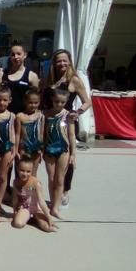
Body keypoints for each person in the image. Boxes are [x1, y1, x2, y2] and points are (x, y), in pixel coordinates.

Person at [43, 49, 90, 207]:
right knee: (51, 159)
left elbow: (87, 102)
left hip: (67, 123)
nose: (62, 63)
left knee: (67, 159)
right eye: (58, 61)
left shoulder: (74, 80)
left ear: (69, 61)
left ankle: (65, 191)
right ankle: (54, 192)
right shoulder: (49, 80)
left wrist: (77, 112)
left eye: (64, 60)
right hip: (50, 124)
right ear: (54, 63)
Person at [43, 89, 76, 219]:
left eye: (62, 102)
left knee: (60, 178)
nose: (59, 104)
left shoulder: (68, 115)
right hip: (49, 149)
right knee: (51, 178)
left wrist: (73, 154)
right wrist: (41, 150)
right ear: (52, 99)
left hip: (63, 149)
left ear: (67, 101)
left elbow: (72, 135)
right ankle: (52, 203)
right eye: (57, 101)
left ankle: (56, 207)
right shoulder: (45, 114)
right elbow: (42, 133)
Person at [12, 155, 56, 232]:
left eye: (28, 171)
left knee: (47, 228)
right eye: (22, 170)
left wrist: (49, 217)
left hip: (36, 208)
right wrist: (15, 210)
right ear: (17, 169)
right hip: (25, 207)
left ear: (32, 171)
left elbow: (41, 201)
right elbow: (15, 198)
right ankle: (29, 217)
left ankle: (36, 218)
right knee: (17, 224)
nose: (25, 174)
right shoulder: (16, 182)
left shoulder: (35, 183)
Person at [2, 42, 39, 114]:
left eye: (19, 54)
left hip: (24, 116)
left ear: (25, 55)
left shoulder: (32, 76)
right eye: (13, 54)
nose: (16, 57)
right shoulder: (3, 74)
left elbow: (35, 99)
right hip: (6, 115)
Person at [14, 88, 44, 175]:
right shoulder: (20, 116)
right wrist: (16, 150)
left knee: (33, 174)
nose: (33, 105)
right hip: (24, 149)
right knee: (21, 173)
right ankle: (19, 189)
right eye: (30, 102)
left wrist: (42, 149)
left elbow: (41, 133)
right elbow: (17, 134)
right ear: (25, 102)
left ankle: (32, 188)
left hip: (36, 149)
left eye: (36, 103)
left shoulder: (40, 116)